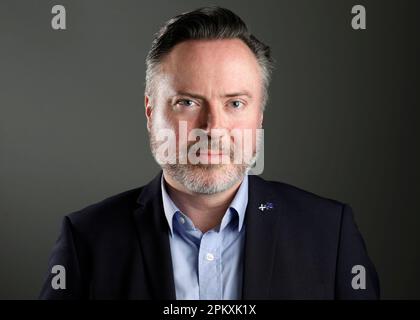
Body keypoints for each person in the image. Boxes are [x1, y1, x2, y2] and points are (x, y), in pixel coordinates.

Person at [39, 6, 379, 300]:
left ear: (259, 114)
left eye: (234, 103)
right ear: (149, 111)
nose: (212, 128)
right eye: (187, 102)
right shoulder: (86, 240)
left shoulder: (328, 234)